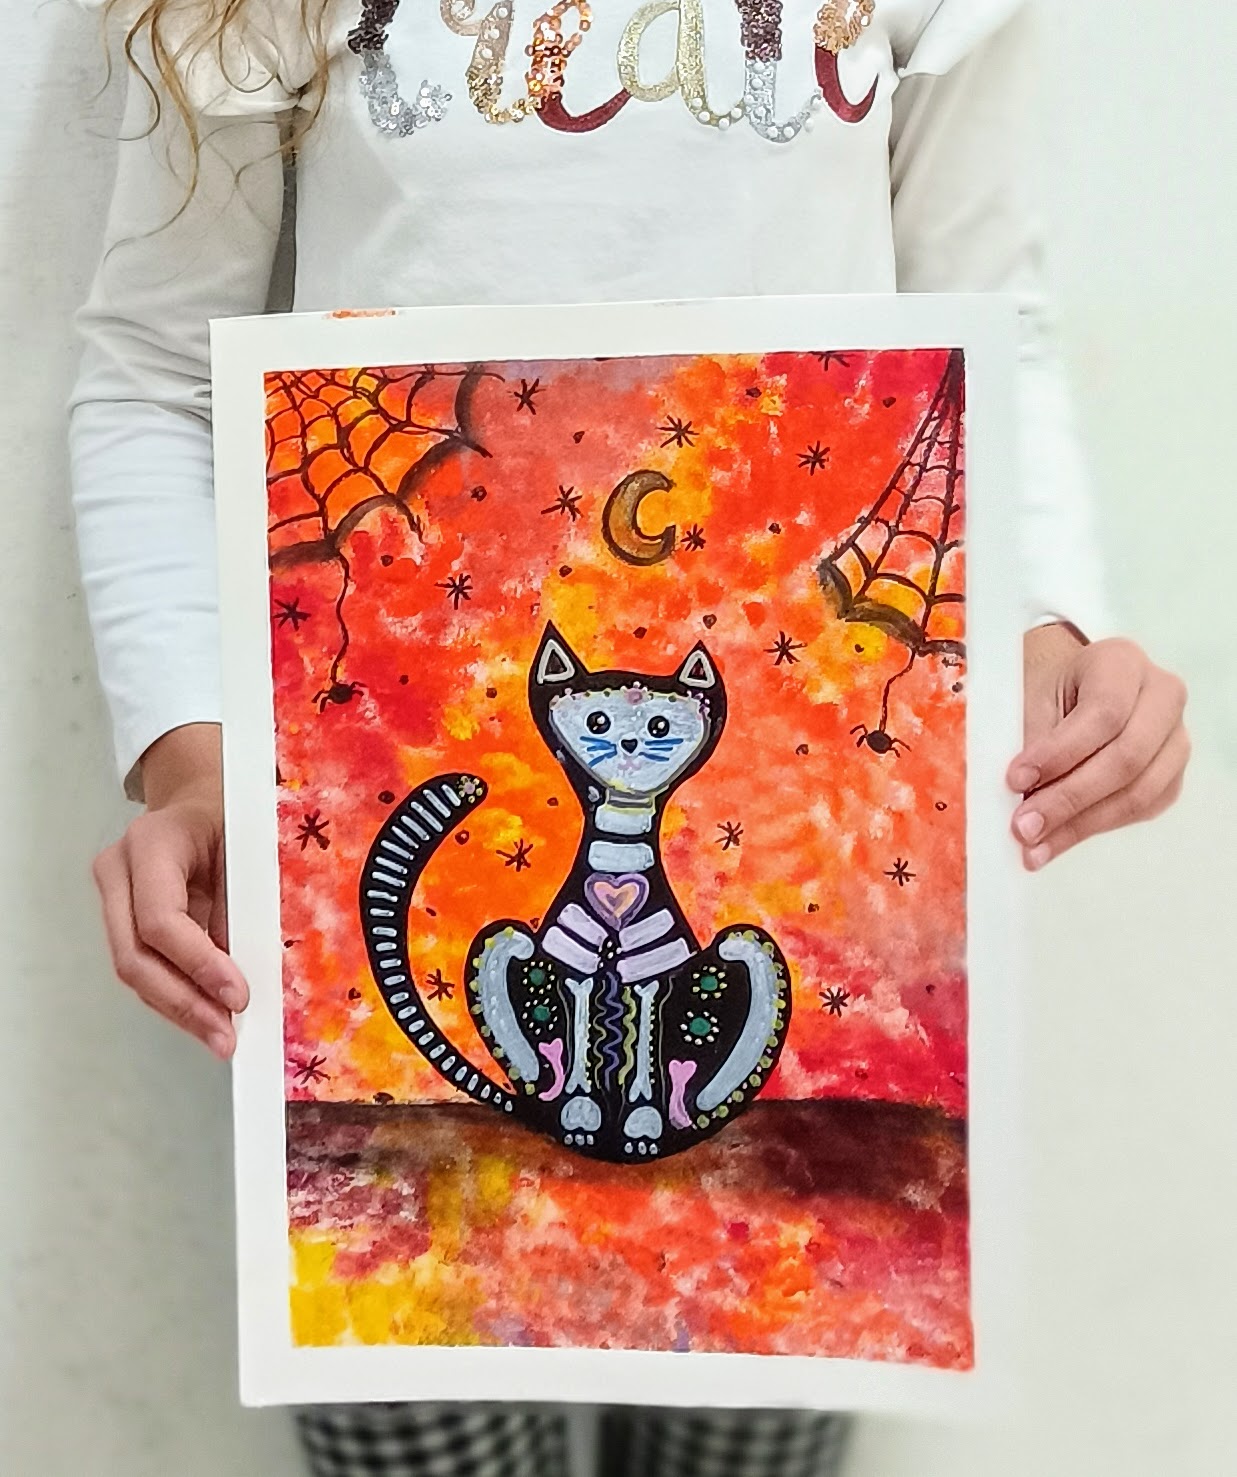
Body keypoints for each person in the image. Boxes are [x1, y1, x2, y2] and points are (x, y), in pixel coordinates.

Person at [68, 1, 1190, 1474]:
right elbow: (155, 368)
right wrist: (191, 757)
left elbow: (987, 321)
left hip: (816, 861)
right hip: (355, 845)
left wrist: (1050, 629)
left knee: (749, 1430)